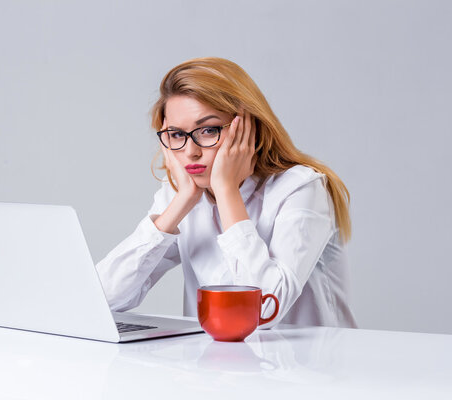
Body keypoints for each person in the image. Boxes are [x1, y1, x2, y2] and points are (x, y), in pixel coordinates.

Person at [95, 57, 357, 328]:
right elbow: (101, 299)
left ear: (247, 128)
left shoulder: (300, 188)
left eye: (208, 130)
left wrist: (226, 190)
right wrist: (181, 203)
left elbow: (264, 310)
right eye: (176, 134)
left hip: (308, 365)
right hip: (215, 365)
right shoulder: (184, 193)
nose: (190, 151)